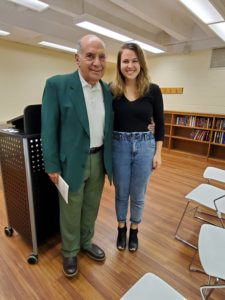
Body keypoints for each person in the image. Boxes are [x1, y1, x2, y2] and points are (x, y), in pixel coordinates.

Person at [41, 34, 113, 277]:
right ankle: (70, 251)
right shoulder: (57, 85)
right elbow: (48, 129)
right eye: (90, 56)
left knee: (91, 206)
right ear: (77, 58)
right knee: (71, 208)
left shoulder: (106, 90)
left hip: (99, 159)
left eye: (102, 57)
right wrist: (51, 165)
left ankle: (85, 242)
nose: (97, 62)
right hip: (70, 161)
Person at [111, 42, 164, 252]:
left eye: (134, 61)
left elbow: (159, 124)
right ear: (119, 64)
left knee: (138, 194)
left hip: (145, 147)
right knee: (121, 192)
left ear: (141, 63)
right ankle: (121, 228)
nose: (130, 65)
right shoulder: (111, 90)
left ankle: (134, 230)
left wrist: (158, 153)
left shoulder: (153, 90)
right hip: (119, 146)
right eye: (125, 61)